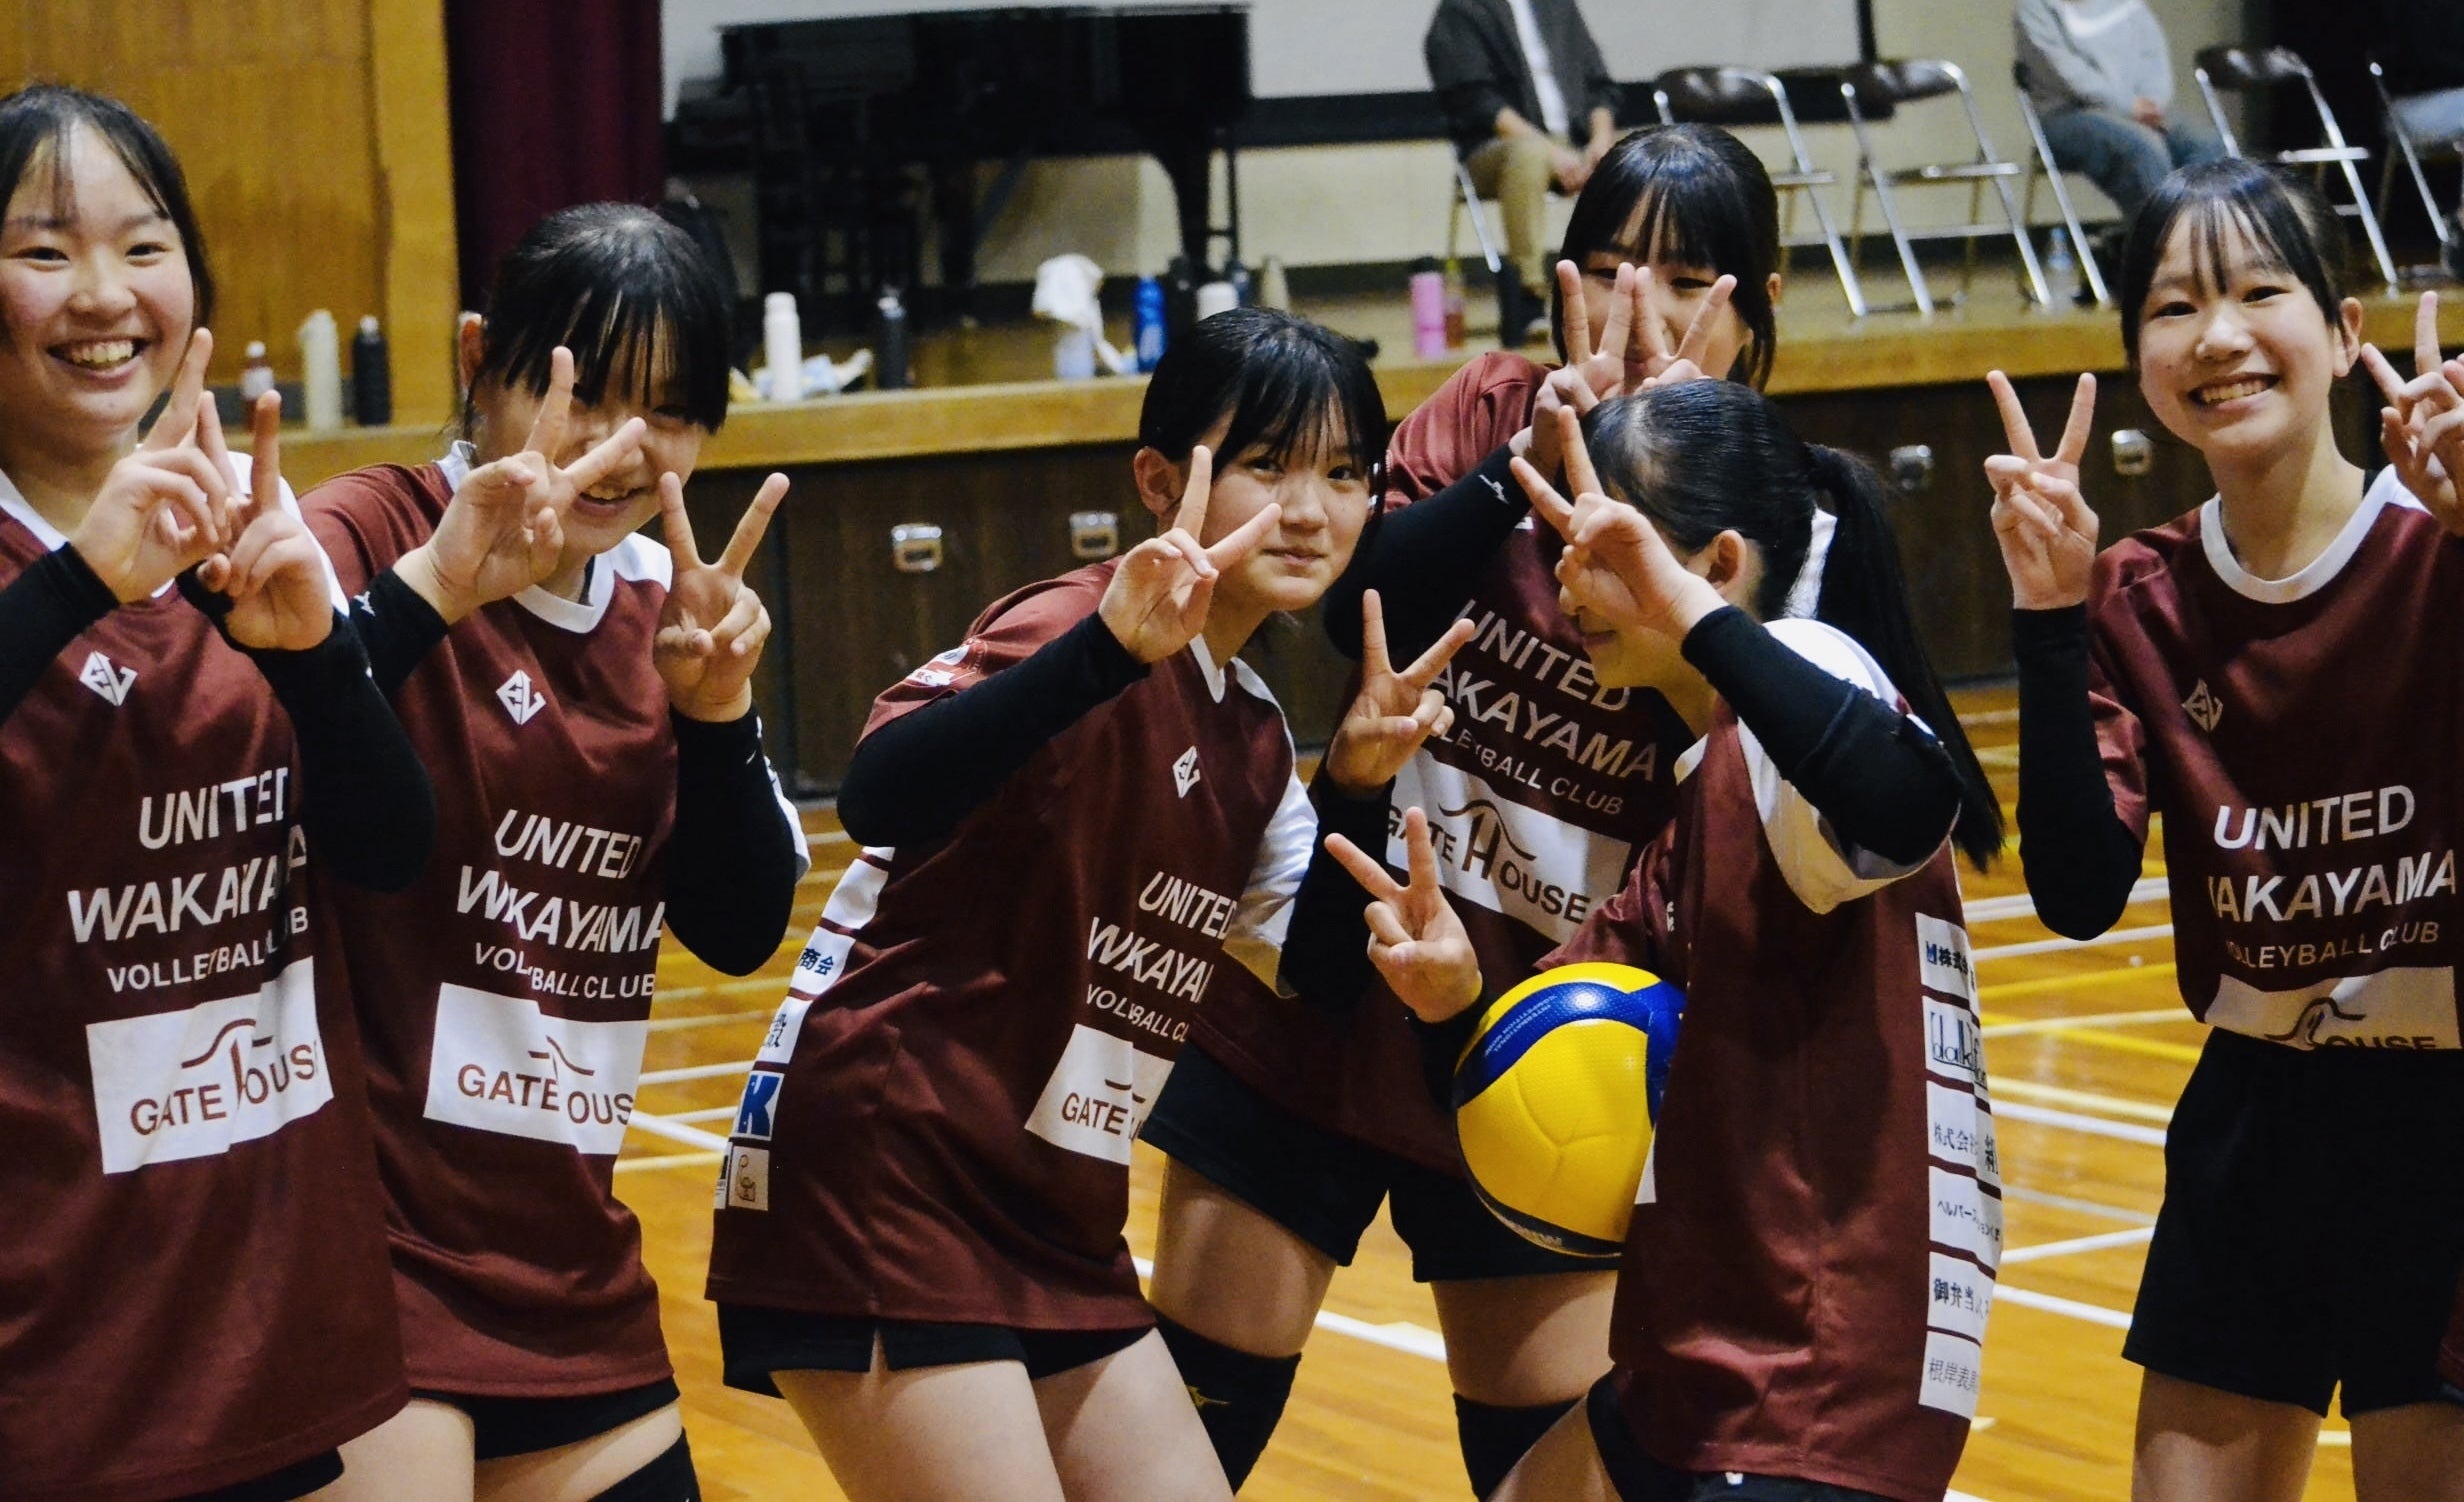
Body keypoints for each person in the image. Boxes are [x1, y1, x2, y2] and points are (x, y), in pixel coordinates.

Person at [704, 308, 1462, 1502]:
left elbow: (1310, 971)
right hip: (890, 1169)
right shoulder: (1071, 622)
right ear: (1160, 480)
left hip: (1055, 1211)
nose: (1309, 508)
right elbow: (881, 790)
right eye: (1268, 463)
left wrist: (1358, 783)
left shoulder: (1256, 733)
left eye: (1344, 473)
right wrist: (1104, 654)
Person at [1141, 122, 1788, 1497]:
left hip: (1546, 1042)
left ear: (1759, 308)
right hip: (1327, 990)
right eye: (1609, 267)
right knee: (1187, 1435)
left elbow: (1781, 762)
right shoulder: (1494, 403)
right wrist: (1534, 452)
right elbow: (1356, 603)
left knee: (1538, 1468)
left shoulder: (1770, 505)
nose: (1640, 307)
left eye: (1687, 278)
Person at [1335, 383, 2004, 1501]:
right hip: (1707, 1353)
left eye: (1604, 553)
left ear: (1720, 563)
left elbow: (1904, 802)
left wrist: (1694, 615)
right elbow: (1534, 1074)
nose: (1566, 587)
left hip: (1810, 1373)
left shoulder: (1812, 668)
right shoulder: (1694, 804)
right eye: (1563, 553)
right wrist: (1451, 1001)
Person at [304, 204, 809, 1502]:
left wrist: (717, 716)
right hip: (364, 1251)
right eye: (583, 392)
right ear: (481, 358)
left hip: (566, 1256)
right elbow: (256, 757)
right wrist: (431, 596)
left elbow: (741, 928)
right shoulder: (363, 534)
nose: (624, 445)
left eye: (671, 411)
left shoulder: (668, 604)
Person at [1991, 158, 2464, 1500]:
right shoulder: (2132, 593)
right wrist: (2046, 619)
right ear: (2136, 355)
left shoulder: (2442, 543)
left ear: (2347, 330)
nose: (2217, 336)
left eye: (2260, 291)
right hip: (2257, 1116)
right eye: (2173, 306)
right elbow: (2079, 892)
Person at [0, 84, 438, 1501]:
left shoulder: (243, 537)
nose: (103, 293)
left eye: (144, 245)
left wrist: (316, 657)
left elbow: (387, 852)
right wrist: (80, 581)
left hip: (266, 1300)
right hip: (53, 1336)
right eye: (44, 249)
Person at [1426, 0, 1624, 342]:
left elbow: (1599, 85)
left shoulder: (1557, 7)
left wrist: (1601, 141)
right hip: (1496, 147)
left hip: (1573, 140)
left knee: (1634, 156)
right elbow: (1476, 100)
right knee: (1529, 156)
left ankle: (1621, 288)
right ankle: (1529, 297)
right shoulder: (1462, 9)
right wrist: (1550, 151)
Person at [2014, 0, 2225, 225]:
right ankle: (2160, 239)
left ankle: (2205, 234)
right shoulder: (2035, 9)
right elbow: (2066, 73)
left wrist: (2152, 102)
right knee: (2141, 147)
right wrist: (2129, 107)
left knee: (2205, 142)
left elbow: (2153, 55)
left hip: (2144, 109)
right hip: (2067, 114)